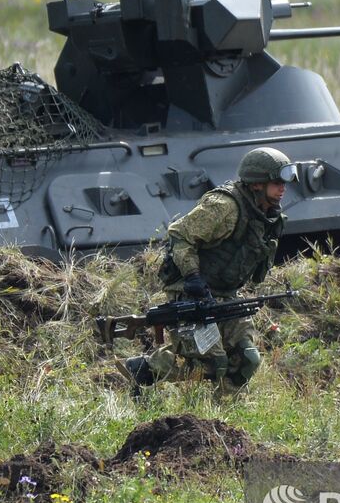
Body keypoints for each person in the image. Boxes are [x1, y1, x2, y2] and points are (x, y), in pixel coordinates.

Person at [122, 147, 296, 397]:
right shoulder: (224, 206)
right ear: (257, 184)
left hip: (225, 295)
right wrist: (193, 277)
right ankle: (144, 369)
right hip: (190, 292)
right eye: (277, 182)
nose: (283, 188)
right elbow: (180, 234)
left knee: (248, 358)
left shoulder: (266, 215)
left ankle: (224, 413)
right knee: (213, 363)